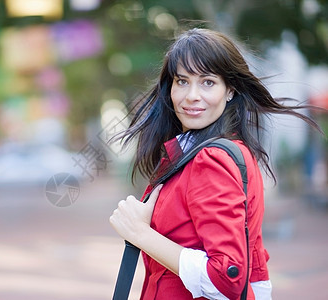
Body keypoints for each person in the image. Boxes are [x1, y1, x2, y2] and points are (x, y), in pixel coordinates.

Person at [109, 28, 321, 300]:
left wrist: (140, 234)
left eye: (207, 82)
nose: (191, 96)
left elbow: (227, 278)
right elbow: (253, 266)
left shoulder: (212, 159)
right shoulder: (223, 152)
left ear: (230, 89)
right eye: (182, 81)